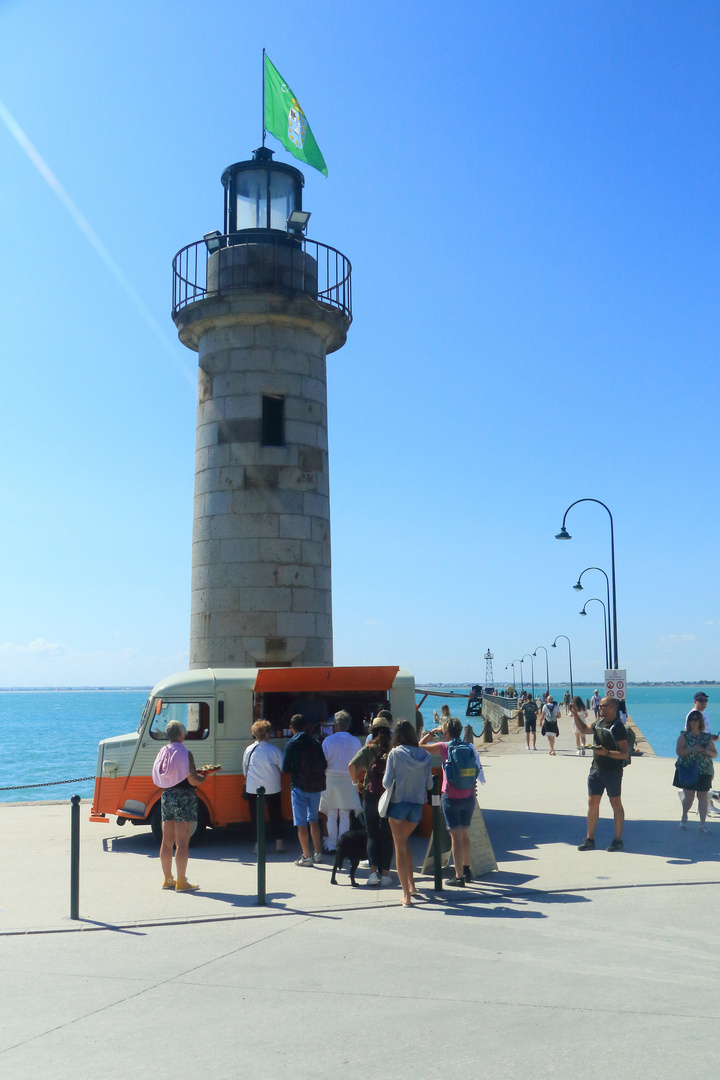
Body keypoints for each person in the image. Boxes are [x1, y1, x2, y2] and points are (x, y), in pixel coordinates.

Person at [420, 717, 484, 886]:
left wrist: (431, 733)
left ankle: (459, 876)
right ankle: (467, 869)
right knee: (464, 835)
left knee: (455, 837)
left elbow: (419, 747)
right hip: (468, 796)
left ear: (446, 732)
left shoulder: (444, 747)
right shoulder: (469, 746)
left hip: (451, 797)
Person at [383, 719, 433, 906]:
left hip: (397, 805)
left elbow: (386, 783)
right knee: (405, 844)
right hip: (417, 806)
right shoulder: (425, 756)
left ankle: (407, 896)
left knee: (399, 847)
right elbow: (429, 784)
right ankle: (411, 885)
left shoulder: (394, 754)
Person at [154, 720, 207, 892]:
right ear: (181, 735)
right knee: (182, 843)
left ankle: (167, 879)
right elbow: (192, 779)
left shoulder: (163, 751)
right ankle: (182, 881)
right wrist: (203, 777)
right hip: (184, 797)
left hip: (166, 796)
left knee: (166, 841)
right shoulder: (185, 752)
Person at [570, 697, 629, 851]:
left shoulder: (618, 727)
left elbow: (624, 753)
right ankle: (590, 839)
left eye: (602, 706)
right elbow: (583, 729)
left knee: (615, 803)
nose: (598, 707)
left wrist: (607, 752)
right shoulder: (599, 723)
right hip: (596, 769)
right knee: (592, 802)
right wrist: (575, 713)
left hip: (612, 771)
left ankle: (618, 839)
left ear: (611, 708)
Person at [348, 717, 393, 886]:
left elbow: (351, 765)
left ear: (372, 732)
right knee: (387, 835)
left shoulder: (368, 749)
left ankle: (373, 873)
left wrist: (356, 784)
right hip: (388, 797)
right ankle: (386, 874)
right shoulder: (393, 749)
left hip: (371, 796)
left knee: (372, 835)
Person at [281, 714, 327, 866]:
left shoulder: (291, 744)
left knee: (301, 824)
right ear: (306, 726)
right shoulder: (315, 742)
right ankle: (318, 853)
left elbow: (285, 768)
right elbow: (324, 764)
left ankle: (306, 857)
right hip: (315, 786)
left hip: (299, 786)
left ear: (291, 728)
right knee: (313, 820)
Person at [319, 710, 362, 853]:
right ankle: (343, 846)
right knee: (345, 814)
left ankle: (331, 846)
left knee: (331, 813)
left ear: (335, 724)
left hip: (330, 779)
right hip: (348, 779)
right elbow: (359, 762)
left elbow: (322, 762)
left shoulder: (328, 740)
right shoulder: (355, 741)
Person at [242, 720, 285, 853]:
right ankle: (279, 844)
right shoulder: (273, 750)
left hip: (253, 788)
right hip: (273, 787)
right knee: (276, 815)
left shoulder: (249, 750)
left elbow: (245, 771)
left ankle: (257, 846)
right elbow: (283, 767)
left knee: (256, 818)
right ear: (267, 734)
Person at [674, 710, 717, 833]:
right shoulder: (684, 736)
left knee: (703, 797)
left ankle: (702, 824)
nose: (694, 721)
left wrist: (707, 751)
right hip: (689, 770)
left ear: (700, 721)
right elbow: (679, 752)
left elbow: (715, 754)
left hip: (704, 770)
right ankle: (684, 814)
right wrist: (692, 749)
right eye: (691, 719)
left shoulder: (706, 737)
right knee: (689, 797)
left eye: (696, 719)